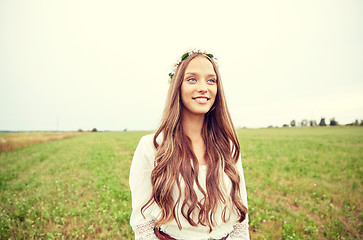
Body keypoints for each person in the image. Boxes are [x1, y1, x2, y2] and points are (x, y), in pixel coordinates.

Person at [129, 50, 249, 240]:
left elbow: (241, 219)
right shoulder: (152, 146)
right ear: (177, 87)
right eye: (192, 79)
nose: (203, 87)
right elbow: (142, 223)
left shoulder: (228, 146)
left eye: (211, 80)